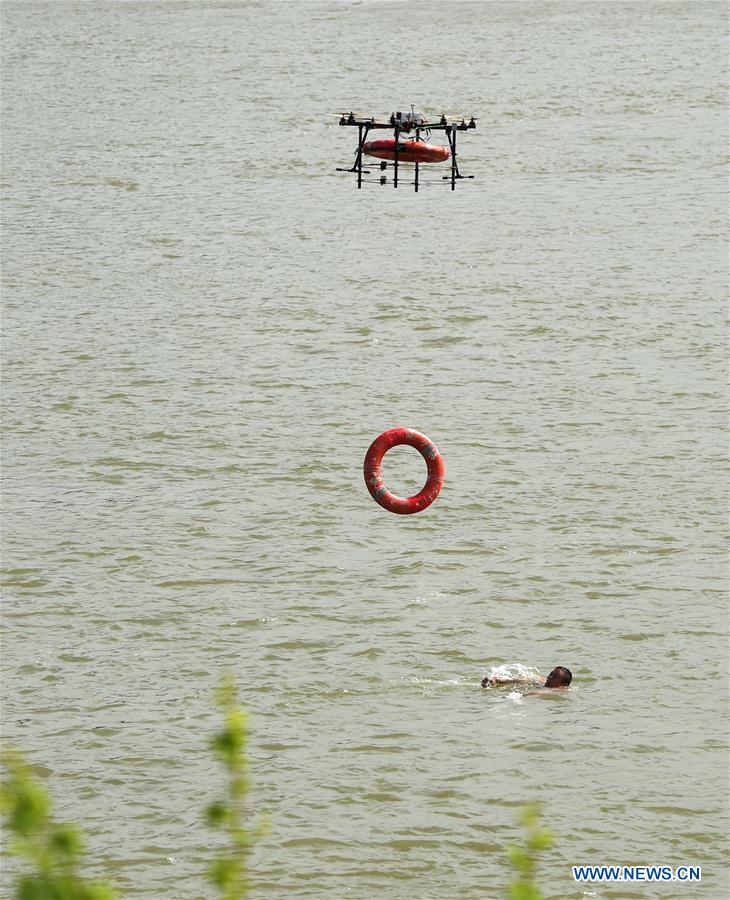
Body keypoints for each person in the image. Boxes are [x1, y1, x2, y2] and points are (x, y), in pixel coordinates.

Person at [481, 666, 572, 689]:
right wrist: (497, 680)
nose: (550, 676)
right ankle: (492, 681)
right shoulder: (541, 681)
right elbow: (522, 679)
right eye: (551, 673)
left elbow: (540, 694)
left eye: (555, 676)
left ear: (563, 684)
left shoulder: (559, 690)